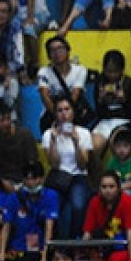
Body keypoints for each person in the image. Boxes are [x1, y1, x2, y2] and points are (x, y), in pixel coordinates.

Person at [0, 162, 59, 261]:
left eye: (34, 178)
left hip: (41, 249)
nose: (30, 182)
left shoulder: (51, 196)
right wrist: (1, 252)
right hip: (19, 249)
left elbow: (49, 226)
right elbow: (6, 226)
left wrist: (44, 254)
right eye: (27, 178)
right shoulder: (14, 198)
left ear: (41, 179)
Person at [44, 96, 94, 239]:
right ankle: (55, 242)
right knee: (53, 205)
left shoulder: (84, 133)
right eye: (60, 110)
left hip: (78, 176)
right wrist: (53, 140)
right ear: (55, 114)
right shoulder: (48, 134)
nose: (64, 114)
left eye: (67, 109)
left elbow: (83, 164)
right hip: (58, 176)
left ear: (73, 112)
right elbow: (54, 164)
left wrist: (76, 141)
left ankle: (75, 240)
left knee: (78, 205)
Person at [0, 101, 43, 191]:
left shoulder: (25, 135)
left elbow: (33, 164)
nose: (6, 123)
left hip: (24, 181)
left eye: (8, 119)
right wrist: (1, 182)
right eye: (1, 121)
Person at [91, 50, 131, 150]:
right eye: (108, 71)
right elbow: (99, 112)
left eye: (115, 71)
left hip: (124, 122)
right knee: (94, 147)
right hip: (105, 122)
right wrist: (101, 100)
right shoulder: (99, 83)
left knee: (116, 144)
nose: (112, 75)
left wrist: (124, 99)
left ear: (122, 70)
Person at [36, 35, 90, 132]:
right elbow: (45, 97)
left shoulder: (80, 70)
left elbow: (75, 95)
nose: (57, 53)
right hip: (52, 113)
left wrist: (66, 116)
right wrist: (58, 116)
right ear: (49, 55)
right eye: (52, 50)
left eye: (60, 48)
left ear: (68, 51)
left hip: (72, 112)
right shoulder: (43, 72)